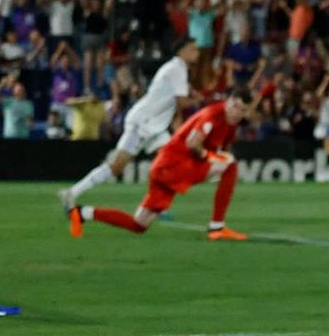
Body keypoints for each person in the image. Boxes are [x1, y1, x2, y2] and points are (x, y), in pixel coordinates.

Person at [66, 86, 252, 241]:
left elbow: (223, 149)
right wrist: (212, 158)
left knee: (139, 224)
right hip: (174, 165)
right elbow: (193, 143)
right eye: (235, 106)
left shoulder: (231, 123)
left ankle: (82, 213)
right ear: (228, 101)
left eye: (243, 110)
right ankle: (217, 227)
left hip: (164, 168)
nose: (237, 112)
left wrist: (218, 158)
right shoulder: (213, 114)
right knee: (231, 167)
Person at [59, 38, 199, 209]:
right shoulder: (177, 69)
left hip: (155, 125)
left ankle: (155, 206)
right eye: (192, 49)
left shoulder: (177, 69)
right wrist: (199, 100)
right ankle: (71, 193)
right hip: (143, 122)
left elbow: (174, 103)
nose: (197, 53)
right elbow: (181, 102)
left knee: (170, 162)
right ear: (181, 51)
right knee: (116, 167)